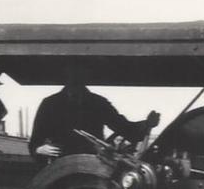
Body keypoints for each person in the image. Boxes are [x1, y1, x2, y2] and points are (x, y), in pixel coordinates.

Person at [29, 67, 160, 163]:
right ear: (65, 76)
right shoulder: (49, 104)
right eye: (72, 74)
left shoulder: (98, 103)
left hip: (93, 164)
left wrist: (147, 124)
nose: (75, 78)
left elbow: (124, 127)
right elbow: (35, 141)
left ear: (85, 76)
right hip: (60, 165)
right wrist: (39, 149)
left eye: (79, 74)